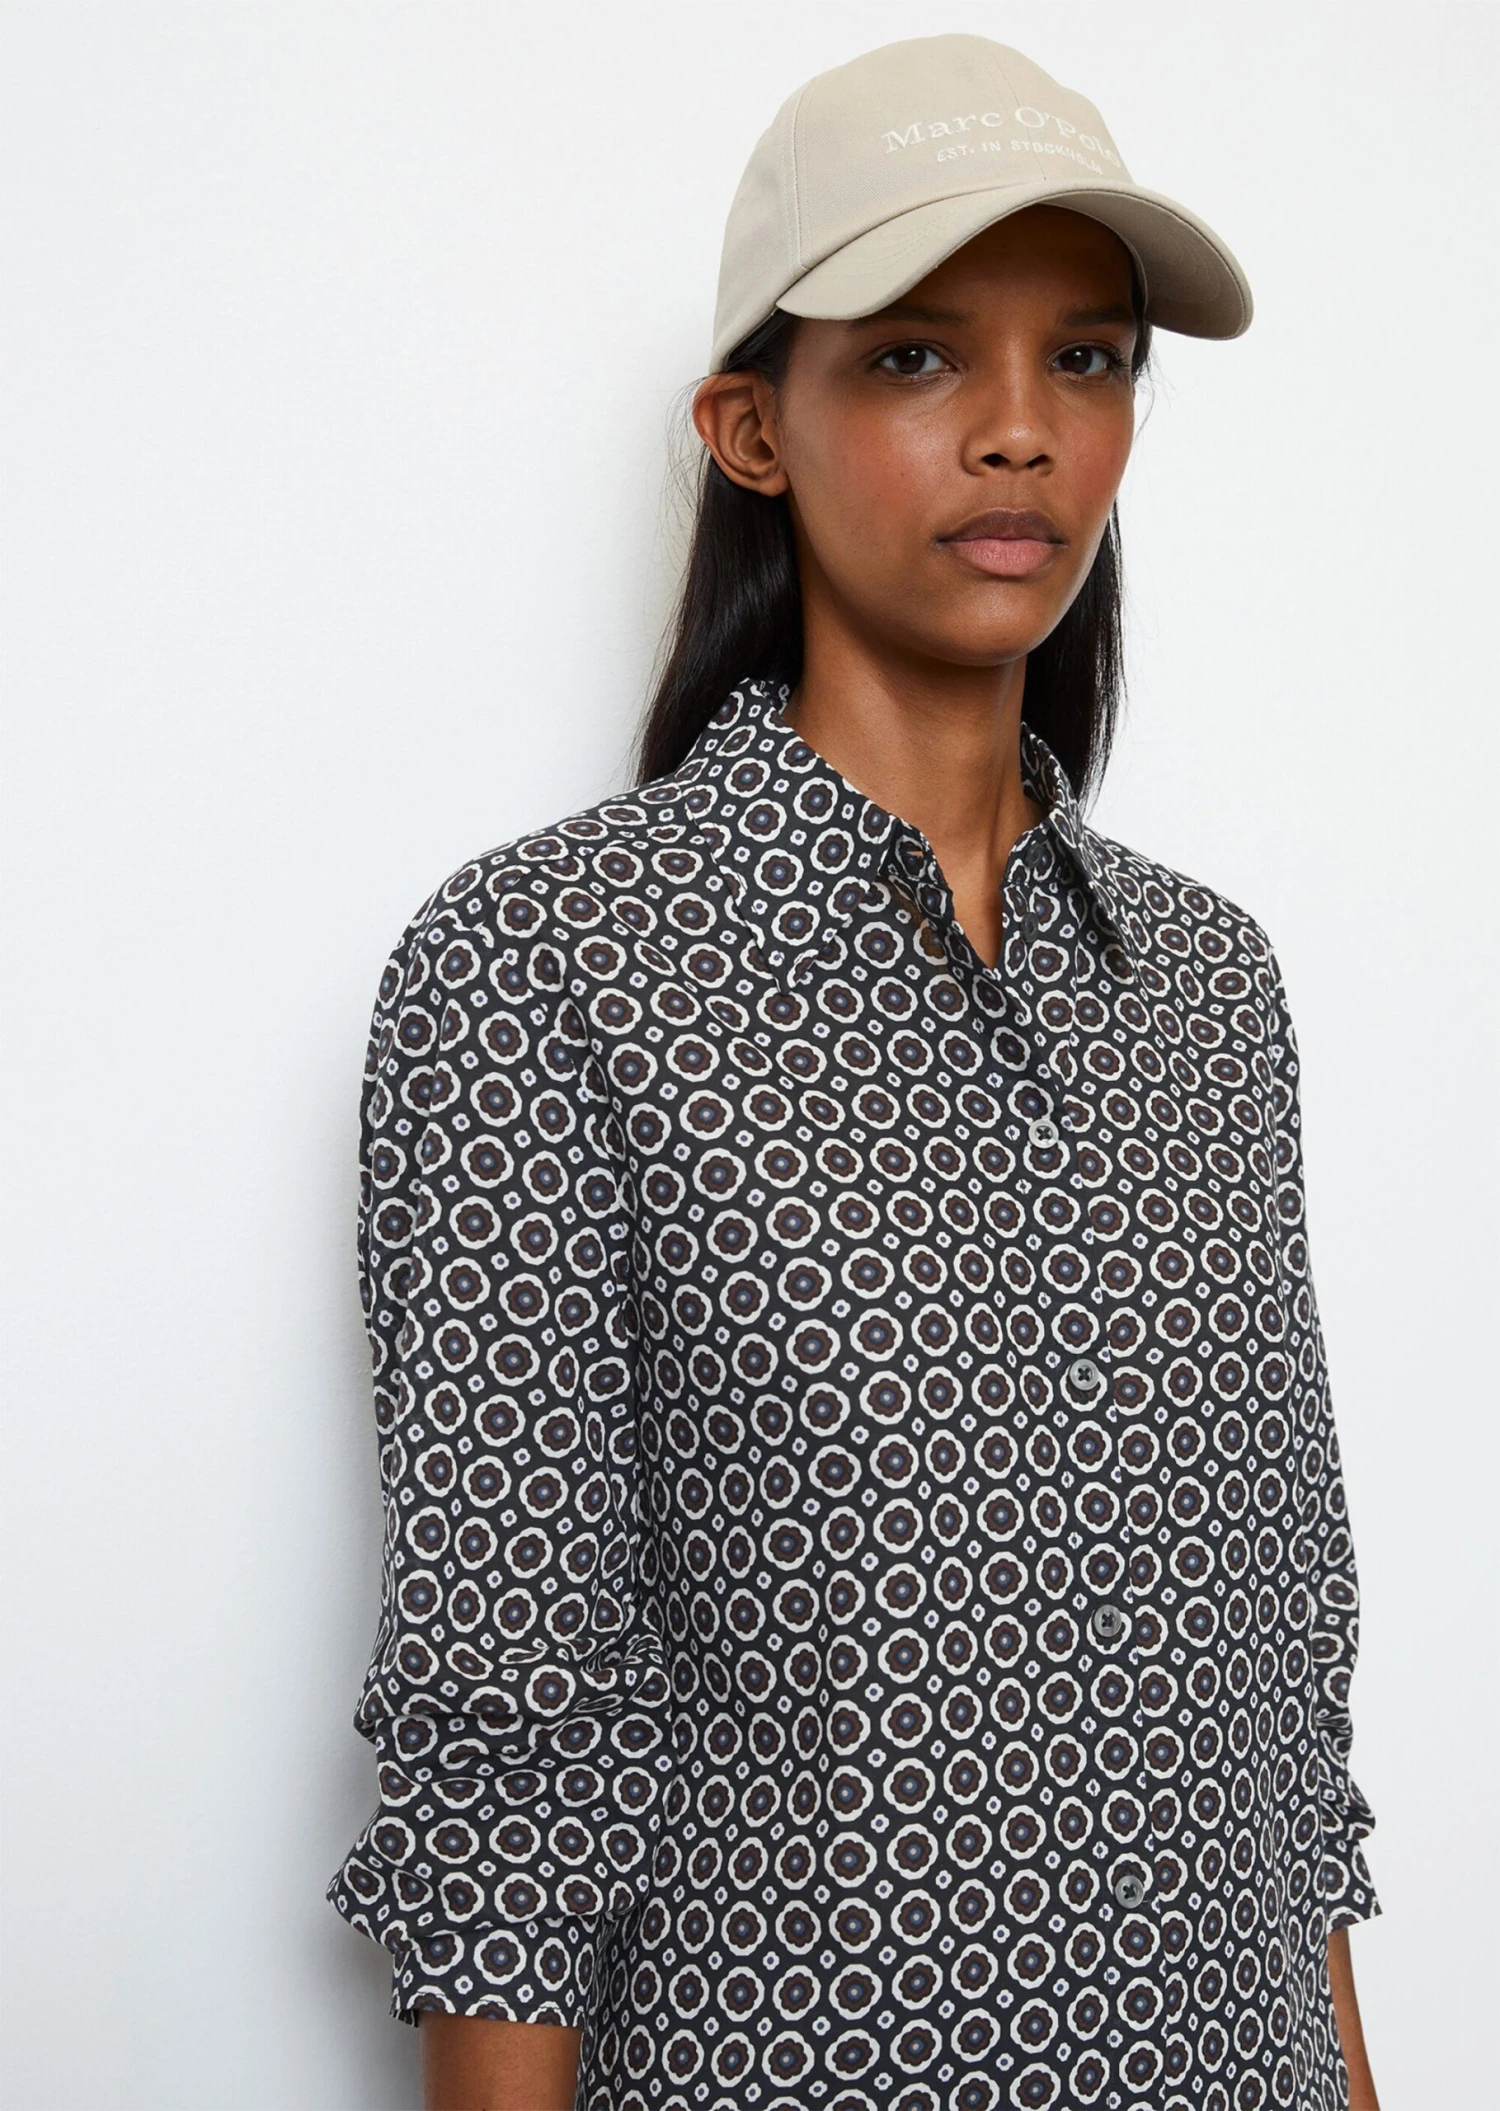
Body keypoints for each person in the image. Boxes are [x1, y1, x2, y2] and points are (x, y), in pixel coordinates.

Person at [328, 34, 1382, 2111]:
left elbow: (1281, 1712)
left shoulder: (1209, 988)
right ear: (753, 428)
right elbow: (508, 1742)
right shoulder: (545, 968)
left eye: (1087, 358)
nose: (1021, 429)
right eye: (915, 356)